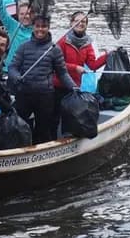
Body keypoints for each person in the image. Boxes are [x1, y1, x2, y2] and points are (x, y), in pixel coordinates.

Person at [7, 16, 77, 144]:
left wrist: (74, 87)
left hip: (45, 96)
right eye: (37, 26)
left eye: (43, 26)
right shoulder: (24, 47)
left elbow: (62, 73)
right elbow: (12, 67)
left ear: (48, 28)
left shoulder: (54, 49)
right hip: (24, 93)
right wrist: (16, 76)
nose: (40, 29)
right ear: (33, 27)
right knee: (19, 124)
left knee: (43, 129)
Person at [54, 11, 107, 134]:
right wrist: (75, 68)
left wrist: (107, 56)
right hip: (58, 85)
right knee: (54, 116)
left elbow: (93, 65)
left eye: (83, 21)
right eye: (77, 21)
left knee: (71, 117)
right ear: (71, 23)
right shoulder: (63, 41)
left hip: (73, 87)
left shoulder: (87, 44)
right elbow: (56, 63)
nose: (80, 23)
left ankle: (68, 138)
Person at [0, 0, 35, 71]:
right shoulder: (13, 25)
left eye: (28, 14)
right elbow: (2, 12)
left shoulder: (37, 32)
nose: (26, 16)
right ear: (17, 14)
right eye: (22, 14)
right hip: (8, 68)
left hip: (26, 70)